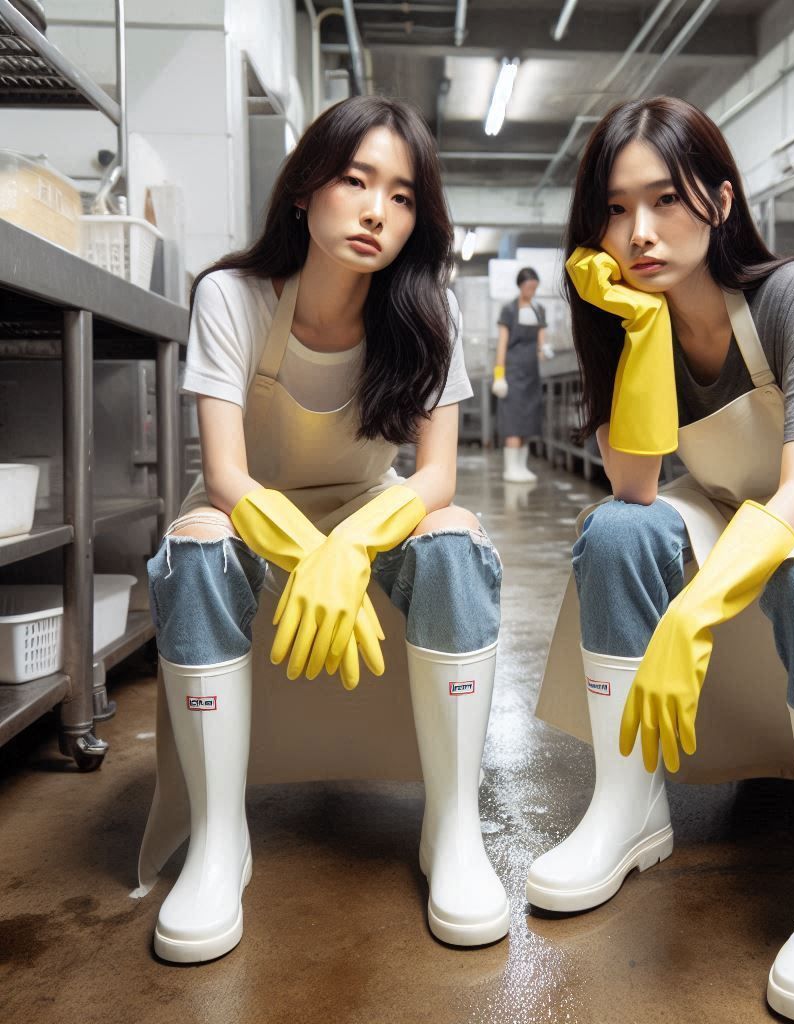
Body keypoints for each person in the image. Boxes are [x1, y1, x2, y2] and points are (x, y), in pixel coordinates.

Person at [530, 97, 794, 1024]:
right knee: (616, 533)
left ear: (718, 198)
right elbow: (635, 484)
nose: (639, 231)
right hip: (723, 496)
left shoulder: (792, 292)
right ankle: (630, 808)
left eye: (664, 200)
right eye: (615, 210)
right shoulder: (632, 320)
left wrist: (695, 611)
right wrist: (636, 330)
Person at [133, 96, 509, 962]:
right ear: (305, 189)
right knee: (193, 550)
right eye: (355, 181)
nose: (378, 211)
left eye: (403, 197)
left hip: (368, 507)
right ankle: (220, 838)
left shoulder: (430, 312)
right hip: (250, 509)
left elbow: (437, 476)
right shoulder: (232, 296)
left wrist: (352, 546)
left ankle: (452, 829)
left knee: (456, 538)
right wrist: (314, 555)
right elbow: (226, 476)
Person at [491, 266, 551, 482]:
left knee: (528, 421)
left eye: (535, 287)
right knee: (513, 420)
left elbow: (541, 339)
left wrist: (544, 350)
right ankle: (510, 468)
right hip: (513, 373)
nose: (532, 291)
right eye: (529, 286)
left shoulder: (539, 310)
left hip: (532, 373)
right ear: (520, 286)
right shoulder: (509, 310)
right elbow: (502, 344)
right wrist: (499, 375)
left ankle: (522, 467)